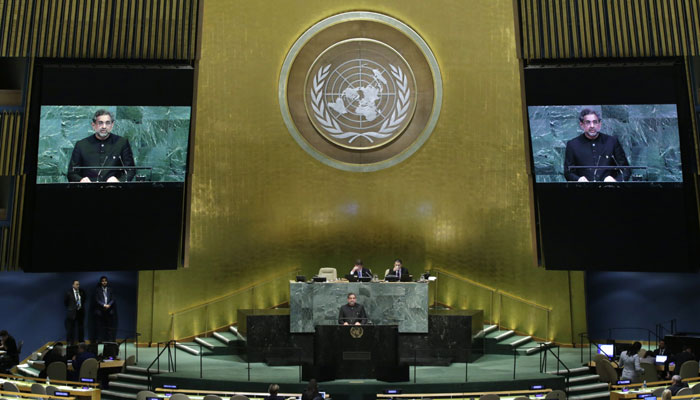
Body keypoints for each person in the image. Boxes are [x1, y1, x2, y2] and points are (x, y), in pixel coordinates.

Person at [67, 109, 135, 183]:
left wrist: (119, 181)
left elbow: (130, 170)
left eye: (107, 123)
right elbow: (72, 173)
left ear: (112, 125)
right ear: (93, 125)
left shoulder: (121, 143)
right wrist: (81, 180)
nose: (104, 126)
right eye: (100, 123)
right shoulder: (81, 145)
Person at [564, 109, 630, 182]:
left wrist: (616, 181)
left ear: (600, 124)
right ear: (581, 125)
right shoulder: (572, 144)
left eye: (595, 122)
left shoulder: (612, 142)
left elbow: (625, 169)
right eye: (588, 122)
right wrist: (578, 179)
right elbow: (568, 172)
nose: (592, 126)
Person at [94, 275, 116, 342]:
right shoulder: (97, 290)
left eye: (105, 281)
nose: (104, 282)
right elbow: (97, 300)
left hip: (109, 310)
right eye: (103, 281)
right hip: (100, 311)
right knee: (100, 326)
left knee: (110, 327)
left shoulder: (110, 289)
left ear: (107, 282)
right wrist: (104, 305)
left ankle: (110, 340)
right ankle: (100, 340)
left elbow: (113, 299)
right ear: (101, 282)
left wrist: (109, 305)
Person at [64, 280, 86, 345]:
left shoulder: (82, 292)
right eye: (76, 284)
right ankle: (70, 342)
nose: (77, 286)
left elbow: (84, 300)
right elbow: (66, 302)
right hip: (72, 313)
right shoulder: (68, 292)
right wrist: (72, 308)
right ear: (73, 285)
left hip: (80, 312)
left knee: (81, 328)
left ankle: (81, 341)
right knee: (70, 329)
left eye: (78, 284)